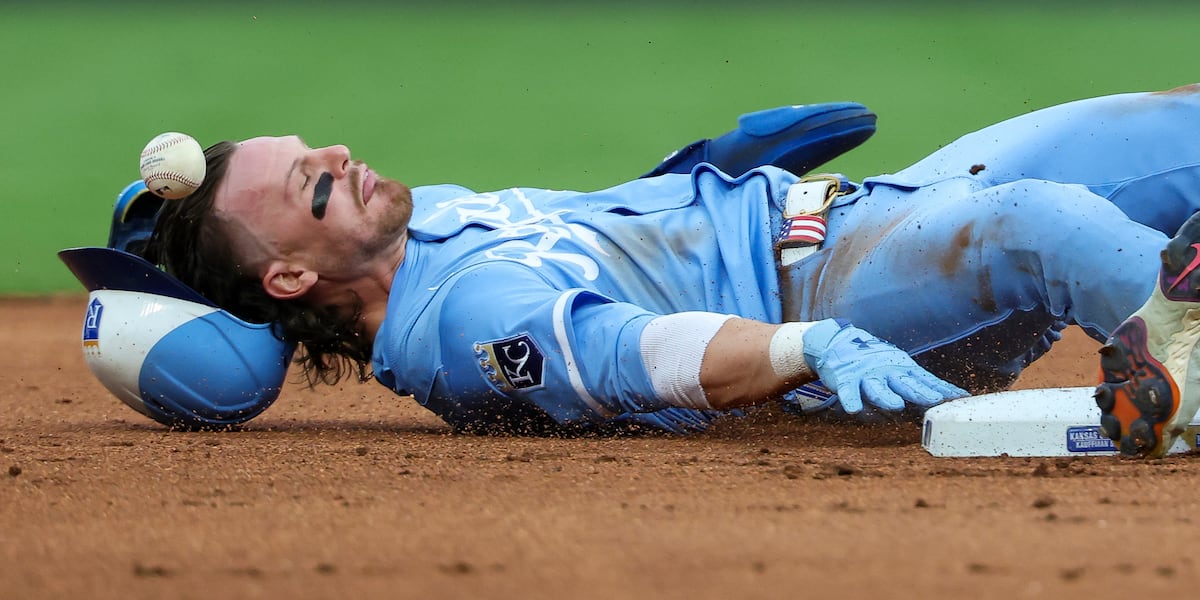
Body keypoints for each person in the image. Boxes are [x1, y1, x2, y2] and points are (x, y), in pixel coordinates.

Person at [142, 84, 1200, 456]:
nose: (339, 163)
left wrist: (707, 174)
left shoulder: (427, 225)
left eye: (315, 153)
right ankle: (1186, 368)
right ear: (288, 280)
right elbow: (630, 351)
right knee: (1038, 225)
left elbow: (595, 242)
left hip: (871, 213)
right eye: (313, 191)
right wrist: (806, 345)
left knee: (1179, 121)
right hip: (830, 298)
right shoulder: (463, 330)